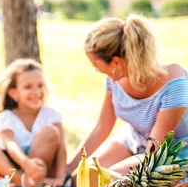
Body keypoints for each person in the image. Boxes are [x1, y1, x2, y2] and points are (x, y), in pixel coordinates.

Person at [67, 15, 188, 175]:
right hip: (135, 140)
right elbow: (101, 128)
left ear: (116, 62)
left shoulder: (173, 86)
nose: (96, 70)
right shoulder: (115, 79)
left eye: (96, 65)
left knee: (107, 184)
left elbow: (153, 157)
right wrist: (69, 169)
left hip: (169, 155)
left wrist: (117, 176)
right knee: (85, 177)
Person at [0, 59, 67, 187]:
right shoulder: (6, 117)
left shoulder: (51, 115)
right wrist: (25, 164)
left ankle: (29, 182)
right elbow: (11, 144)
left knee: (50, 132)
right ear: (13, 93)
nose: (36, 91)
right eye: (28, 87)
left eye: (40, 86)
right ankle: (21, 181)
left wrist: (60, 177)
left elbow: (62, 148)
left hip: (39, 169)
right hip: (10, 169)